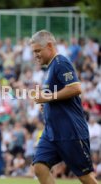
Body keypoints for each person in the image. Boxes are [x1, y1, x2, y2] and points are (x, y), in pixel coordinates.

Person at [30, 30, 98, 184]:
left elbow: (75, 88)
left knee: (84, 177)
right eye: (34, 52)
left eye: (38, 51)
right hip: (52, 132)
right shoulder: (50, 68)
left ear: (49, 46)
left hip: (70, 131)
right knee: (40, 167)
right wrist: (46, 105)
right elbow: (56, 97)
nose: (35, 55)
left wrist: (48, 97)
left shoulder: (61, 62)